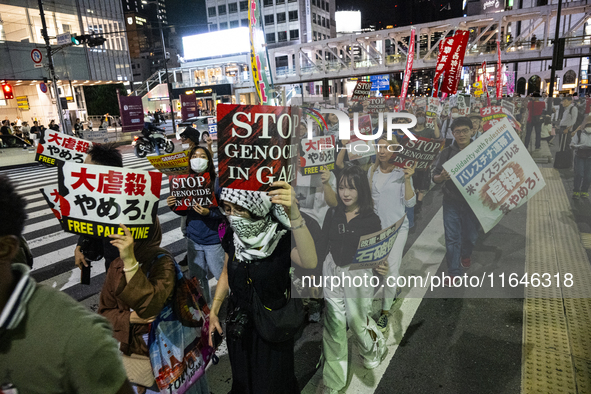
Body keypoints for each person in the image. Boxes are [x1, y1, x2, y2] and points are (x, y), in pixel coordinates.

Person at [0, 175, 134, 394]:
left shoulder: (77, 339)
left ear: (5, 248)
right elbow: (88, 222)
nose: (85, 173)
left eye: (90, 168)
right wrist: (80, 245)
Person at [208, 181, 317, 394]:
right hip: (239, 323)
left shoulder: (281, 236)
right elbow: (225, 273)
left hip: (272, 325)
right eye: (228, 209)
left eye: (239, 209)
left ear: (256, 206)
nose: (233, 217)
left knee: (271, 385)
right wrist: (214, 310)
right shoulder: (233, 235)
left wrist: (295, 216)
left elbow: (310, 261)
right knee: (243, 380)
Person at [98, 218, 209, 394]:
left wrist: (131, 262)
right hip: (136, 356)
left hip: (171, 350)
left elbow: (150, 306)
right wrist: (129, 318)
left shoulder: (162, 262)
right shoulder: (116, 266)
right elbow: (104, 313)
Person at [317, 164, 388, 394]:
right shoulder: (333, 212)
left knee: (358, 321)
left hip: (357, 273)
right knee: (334, 324)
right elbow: (322, 246)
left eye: (352, 188)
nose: (345, 193)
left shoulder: (371, 219)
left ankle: (373, 349)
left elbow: (377, 253)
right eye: (342, 187)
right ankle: (334, 381)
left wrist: (381, 268)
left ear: (362, 191)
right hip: (331, 269)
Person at [368, 136, 416, 331]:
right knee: (373, 268)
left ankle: (385, 311)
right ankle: (393, 289)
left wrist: (408, 179)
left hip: (397, 228)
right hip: (375, 229)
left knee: (391, 271)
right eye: (379, 147)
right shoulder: (371, 170)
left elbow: (411, 203)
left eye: (387, 147)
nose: (382, 151)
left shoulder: (402, 172)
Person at [166, 145, 223, 305]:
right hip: (193, 240)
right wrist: (174, 205)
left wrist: (208, 213)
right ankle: (206, 308)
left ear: (209, 161)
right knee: (198, 279)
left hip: (213, 240)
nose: (198, 159)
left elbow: (225, 213)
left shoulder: (216, 182)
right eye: (194, 156)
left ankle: (229, 304)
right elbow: (185, 212)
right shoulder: (184, 182)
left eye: (203, 156)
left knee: (221, 276)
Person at [432, 117, 480, 285]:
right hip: (451, 201)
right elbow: (435, 177)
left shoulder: (480, 149)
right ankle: (453, 272)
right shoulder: (446, 153)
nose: (461, 135)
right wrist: (441, 177)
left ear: (472, 131)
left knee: (471, 236)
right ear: (452, 133)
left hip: (473, 202)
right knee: (452, 237)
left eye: (465, 131)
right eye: (457, 132)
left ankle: (466, 254)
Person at [74, 143, 123, 272]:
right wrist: (80, 246)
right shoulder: (94, 197)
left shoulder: (135, 201)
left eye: (86, 167)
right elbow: (91, 225)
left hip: (135, 271)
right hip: (112, 270)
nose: (82, 170)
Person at [570, 119, 591, 199]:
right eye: (588, 125)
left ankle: (584, 191)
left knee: (588, 176)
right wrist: (575, 146)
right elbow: (572, 144)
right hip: (579, 157)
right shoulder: (579, 134)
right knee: (579, 174)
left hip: (590, 158)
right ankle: (576, 190)